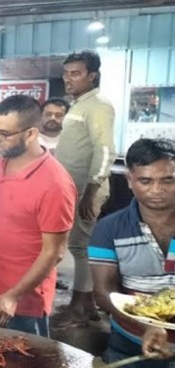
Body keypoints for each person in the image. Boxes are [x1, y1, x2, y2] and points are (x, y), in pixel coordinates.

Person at [0, 95, 77, 337]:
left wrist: (15, 294)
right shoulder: (2, 162)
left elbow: (55, 252)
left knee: (25, 366)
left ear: (31, 134)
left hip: (21, 300)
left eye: (4, 134)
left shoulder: (55, 184)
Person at [89, 138, 175, 368]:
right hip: (131, 344)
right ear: (129, 180)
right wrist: (147, 325)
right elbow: (104, 293)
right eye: (145, 181)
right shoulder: (109, 229)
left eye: (168, 180)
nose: (157, 190)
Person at [54, 50, 117, 327]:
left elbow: (105, 151)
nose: (69, 79)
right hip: (73, 188)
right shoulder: (79, 104)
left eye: (76, 73)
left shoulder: (98, 105)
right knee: (78, 244)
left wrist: (91, 191)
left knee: (81, 246)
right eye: (66, 73)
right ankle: (86, 303)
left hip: (85, 189)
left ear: (92, 75)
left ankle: (79, 306)